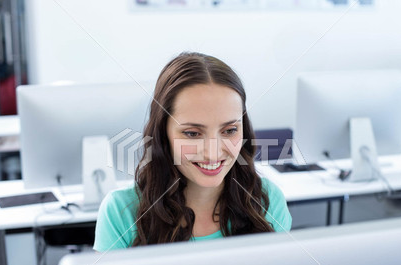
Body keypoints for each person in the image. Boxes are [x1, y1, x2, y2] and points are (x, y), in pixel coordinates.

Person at [93, 52, 292, 251]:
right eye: (192, 133)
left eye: (230, 130)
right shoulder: (121, 212)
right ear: (163, 134)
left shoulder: (267, 201)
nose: (212, 153)